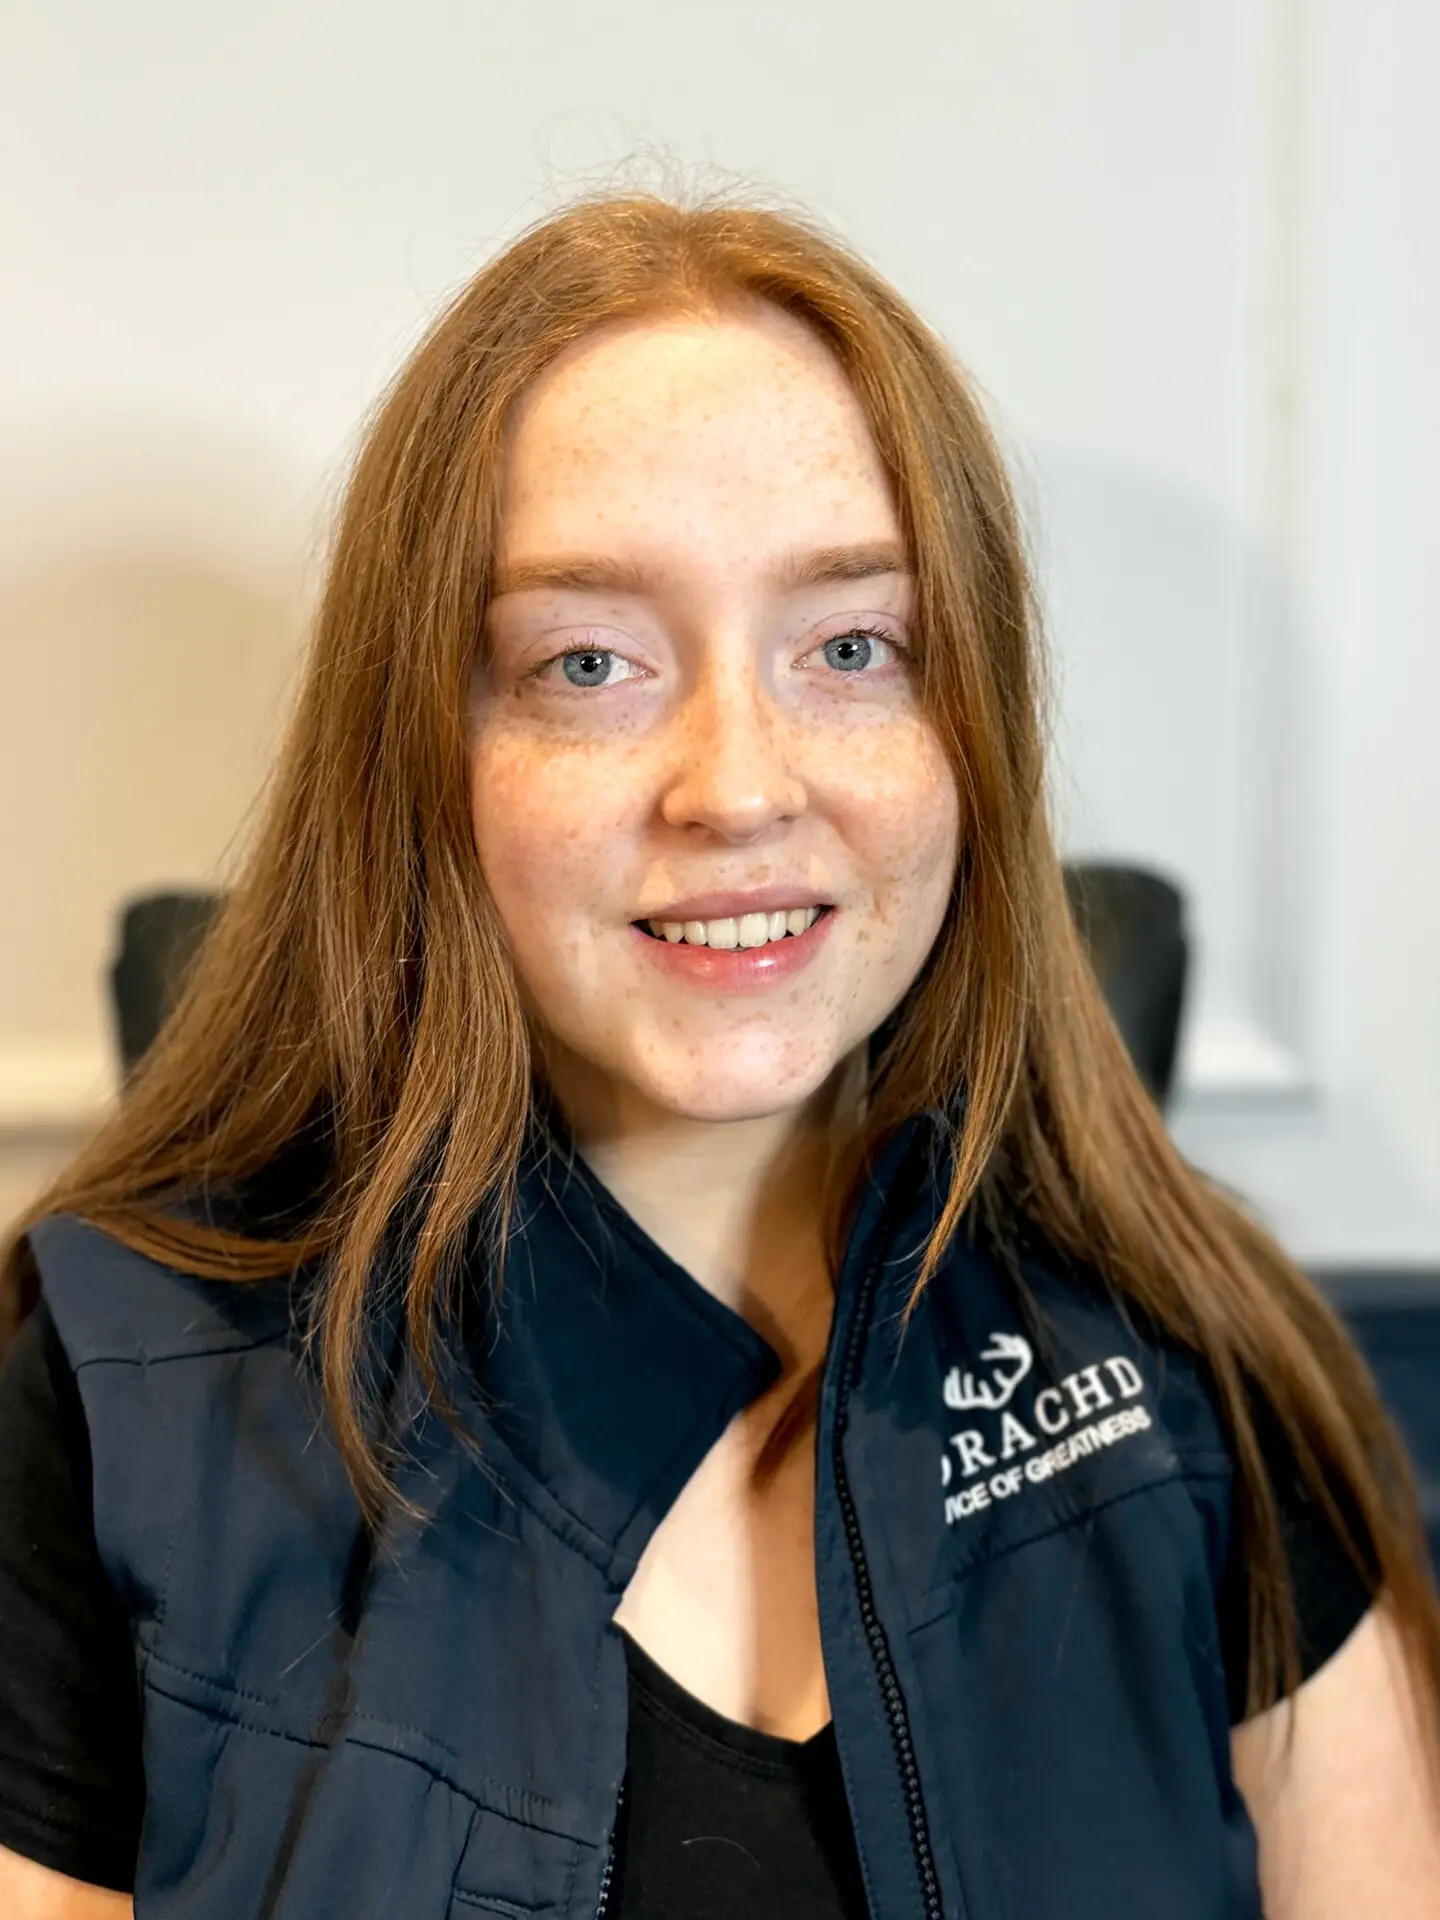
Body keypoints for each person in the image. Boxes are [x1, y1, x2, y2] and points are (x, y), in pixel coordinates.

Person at [1, 189, 1439, 1920]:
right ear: (424, 750)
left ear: (967, 720)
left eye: (851, 647)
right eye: (589, 662)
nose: (741, 786)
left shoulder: (1194, 1350)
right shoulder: (108, 1392)